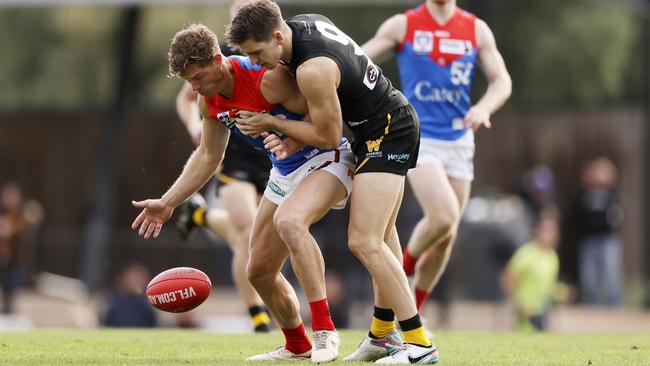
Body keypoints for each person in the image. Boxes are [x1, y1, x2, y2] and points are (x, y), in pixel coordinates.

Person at [226, 1, 437, 363]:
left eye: (258, 53)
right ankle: (383, 335)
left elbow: (326, 135)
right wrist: (291, 138)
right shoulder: (302, 26)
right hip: (376, 129)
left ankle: (420, 344)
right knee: (383, 239)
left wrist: (272, 124)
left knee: (364, 240)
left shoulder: (312, 69)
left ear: (277, 36)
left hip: (387, 131)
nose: (256, 63)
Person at [131, 24, 355, 363]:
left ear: (218, 59)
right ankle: (297, 345)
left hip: (328, 157)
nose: (195, 88)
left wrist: (282, 131)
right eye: (189, 82)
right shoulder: (209, 101)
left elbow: (322, 117)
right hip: (285, 171)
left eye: (198, 77)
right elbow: (208, 156)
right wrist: (167, 202)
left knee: (291, 224)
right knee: (258, 271)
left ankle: (325, 331)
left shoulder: (268, 78)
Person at [361, 0, 512, 312]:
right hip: (420, 137)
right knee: (443, 216)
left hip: (459, 140)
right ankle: (403, 269)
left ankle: (410, 313)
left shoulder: (476, 29)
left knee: (446, 237)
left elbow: (502, 81)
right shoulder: (403, 25)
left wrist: (484, 107)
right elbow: (356, 61)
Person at [174, 0, 272, 333]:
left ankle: (200, 216)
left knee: (263, 238)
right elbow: (186, 99)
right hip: (234, 159)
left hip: (272, 158)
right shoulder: (216, 60)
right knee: (247, 232)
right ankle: (258, 317)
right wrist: (195, 128)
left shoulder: (268, 54)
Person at [500, 206, 569, 331]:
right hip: (526, 315)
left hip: (543, 313)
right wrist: (519, 303)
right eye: (546, 230)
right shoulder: (526, 253)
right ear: (536, 231)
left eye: (553, 231)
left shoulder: (552, 257)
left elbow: (549, 286)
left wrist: (562, 292)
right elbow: (508, 278)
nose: (550, 235)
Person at [571, 157, 623, 305]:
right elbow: (577, 217)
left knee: (611, 276)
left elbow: (617, 216)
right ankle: (591, 306)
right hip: (588, 239)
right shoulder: (583, 196)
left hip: (607, 239)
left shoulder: (611, 195)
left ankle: (614, 306)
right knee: (589, 277)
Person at [0, 182, 43, 315]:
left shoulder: (22, 215)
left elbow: (27, 234)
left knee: (11, 291)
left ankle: (8, 312)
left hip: (14, 261)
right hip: (3, 258)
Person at [104, 263, 158, 327]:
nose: (136, 282)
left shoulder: (149, 303)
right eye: (133, 278)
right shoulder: (108, 299)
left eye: (139, 279)